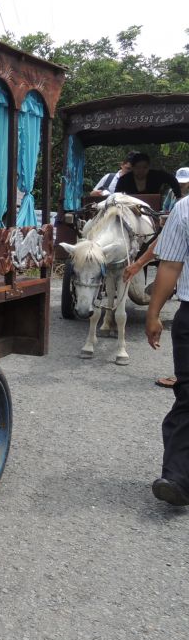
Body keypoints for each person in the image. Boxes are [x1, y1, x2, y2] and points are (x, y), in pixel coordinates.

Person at [144, 190, 189, 505]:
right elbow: (170, 266)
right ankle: (176, 477)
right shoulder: (185, 209)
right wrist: (153, 312)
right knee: (188, 394)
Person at [128, 167, 189, 388]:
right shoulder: (181, 206)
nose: (183, 186)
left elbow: (168, 255)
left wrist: (138, 263)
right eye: (181, 183)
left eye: (185, 183)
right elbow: (170, 260)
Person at [114, 152, 180, 198]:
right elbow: (115, 196)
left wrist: (178, 196)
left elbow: (172, 179)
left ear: (149, 167)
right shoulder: (124, 179)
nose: (141, 170)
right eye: (138, 167)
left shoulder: (156, 176)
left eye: (145, 167)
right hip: (131, 211)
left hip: (153, 211)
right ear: (133, 168)